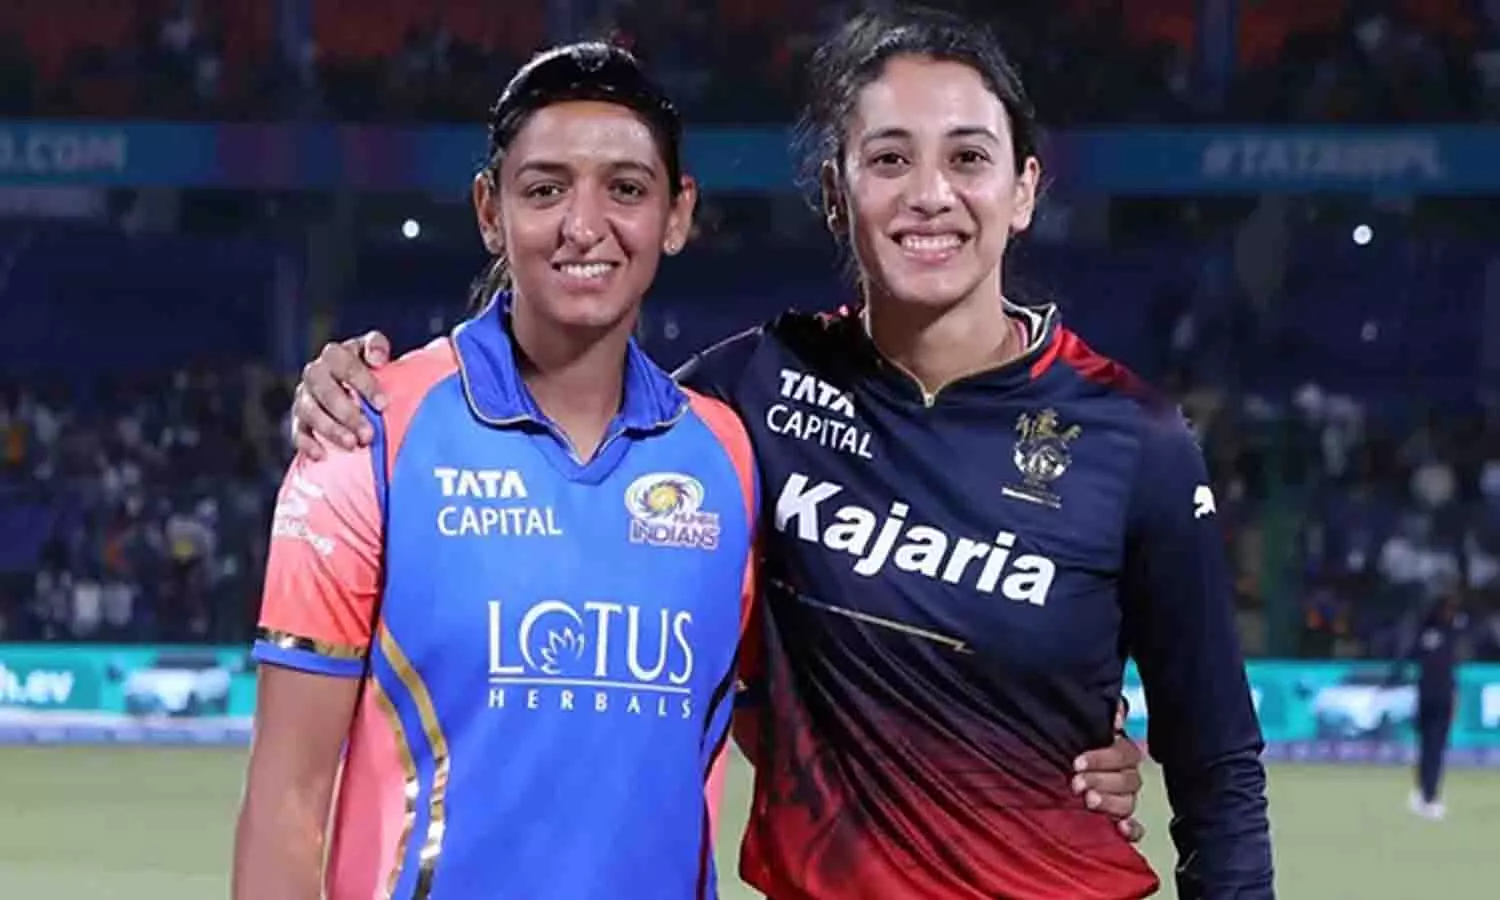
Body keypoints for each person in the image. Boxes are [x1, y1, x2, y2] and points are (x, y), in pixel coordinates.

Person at [289, 9, 1259, 900]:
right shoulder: (743, 399)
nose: (931, 194)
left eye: (968, 157)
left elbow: (1216, 768)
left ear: (1024, 191)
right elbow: (563, 422)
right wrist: (363, 386)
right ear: (837, 194)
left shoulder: (1133, 436)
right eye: (889, 159)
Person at [234, 42, 762, 900]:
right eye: (545, 189)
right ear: (490, 210)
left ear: (678, 214)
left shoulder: (729, 457)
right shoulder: (367, 434)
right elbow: (286, 802)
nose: (583, 226)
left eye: (626, 189)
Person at [1389, 593, 1468, 820]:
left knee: (1429, 748)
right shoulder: (1449, 635)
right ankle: (1429, 798)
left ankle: (1424, 792)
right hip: (1435, 698)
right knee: (1432, 749)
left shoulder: (1426, 634)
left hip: (1430, 697)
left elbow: (1408, 658)